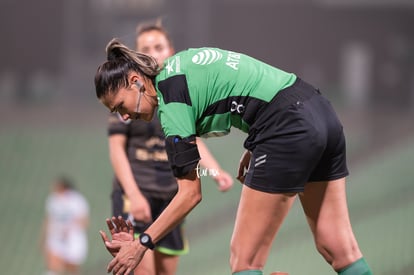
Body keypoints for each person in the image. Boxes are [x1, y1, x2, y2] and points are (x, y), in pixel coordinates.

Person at [95, 40, 373, 275]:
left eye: (120, 106)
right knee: (338, 248)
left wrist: (140, 244)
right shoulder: (179, 65)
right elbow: (251, 84)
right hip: (320, 112)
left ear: (135, 81)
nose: (125, 117)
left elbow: (190, 194)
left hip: (285, 128)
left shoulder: (171, 102)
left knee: (244, 261)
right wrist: (254, 145)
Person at [107, 20, 233, 275]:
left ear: (171, 51)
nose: (153, 52)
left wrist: (216, 171)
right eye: (146, 47)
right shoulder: (128, 98)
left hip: (172, 198)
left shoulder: (181, 93)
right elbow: (117, 150)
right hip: (138, 197)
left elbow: (191, 141)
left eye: (159, 46)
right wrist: (134, 194)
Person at [41, 176, 89, 275]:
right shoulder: (53, 200)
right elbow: (49, 219)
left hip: (72, 239)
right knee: (53, 265)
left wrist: (70, 229)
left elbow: (84, 220)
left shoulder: (76, 200)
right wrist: (44, 238)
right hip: (56, 238)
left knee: (72, 268)